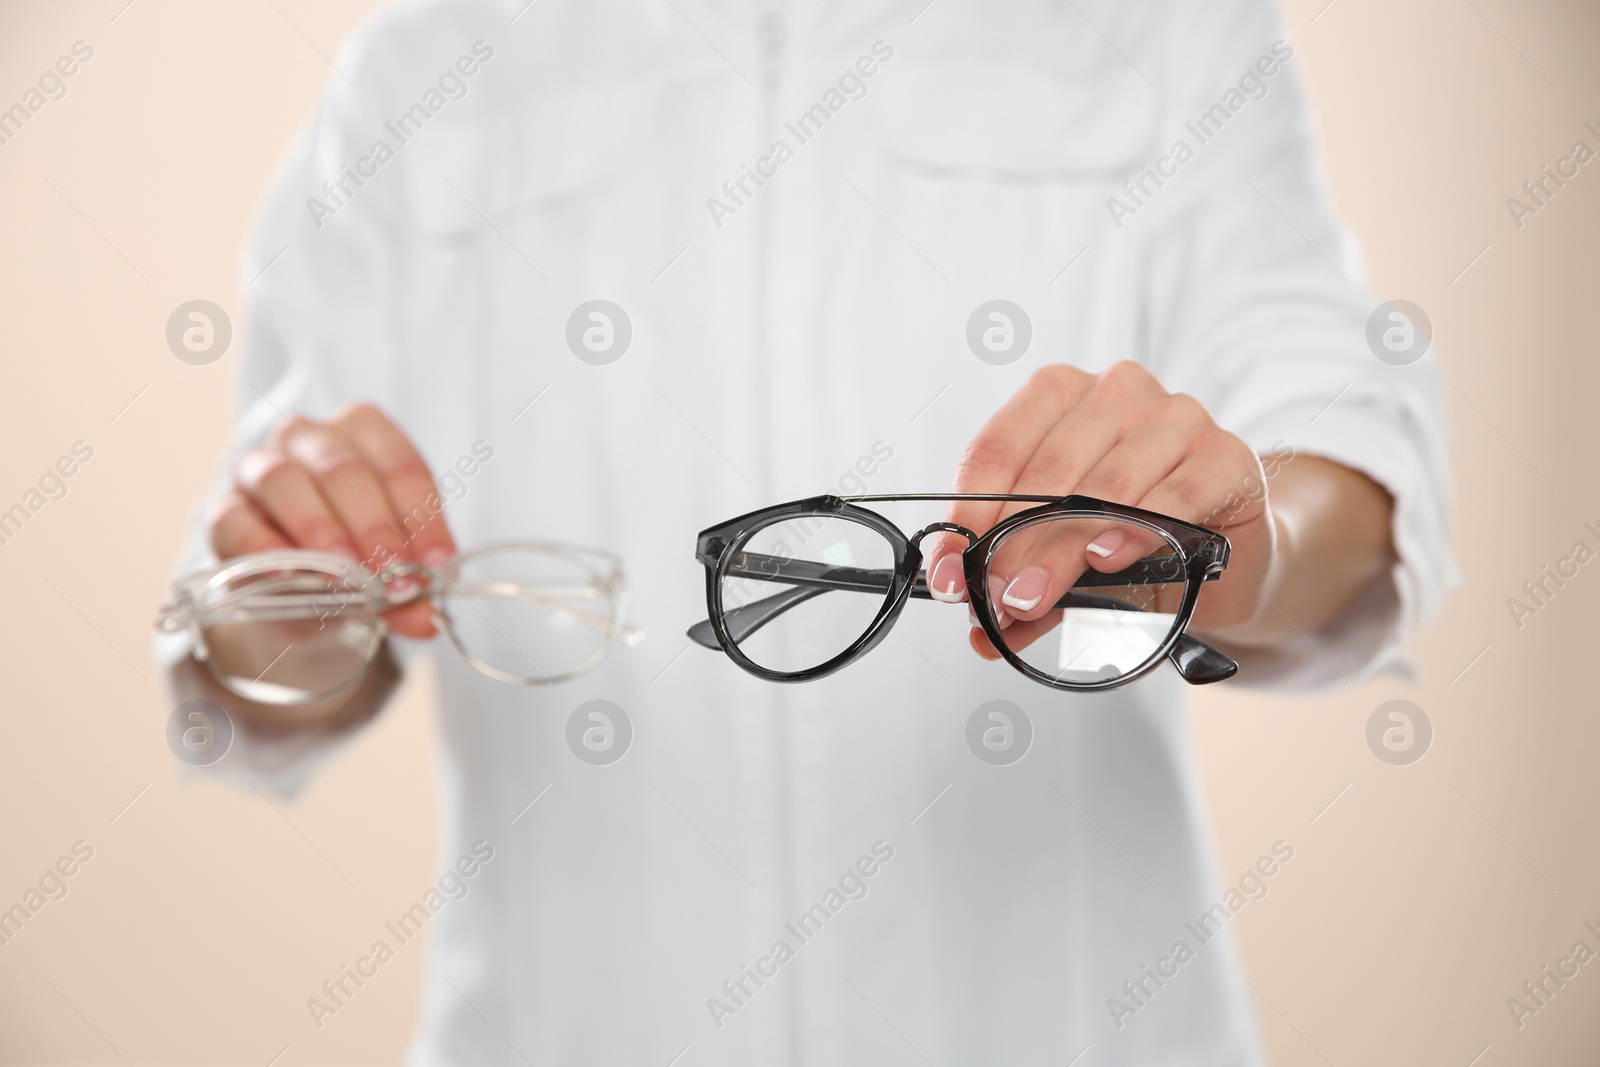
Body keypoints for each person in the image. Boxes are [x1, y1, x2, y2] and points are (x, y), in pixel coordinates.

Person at [158, 0, 1452, 1062]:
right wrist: (287, 601)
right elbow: (253, 670)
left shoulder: (1166, 28)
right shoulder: (425, 67)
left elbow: (1344, 453)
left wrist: (1247, 536)